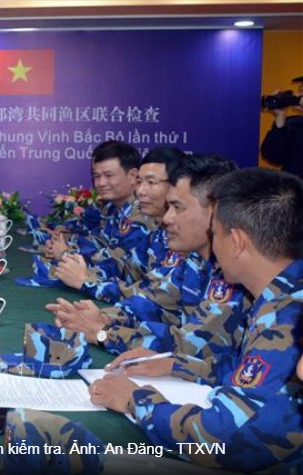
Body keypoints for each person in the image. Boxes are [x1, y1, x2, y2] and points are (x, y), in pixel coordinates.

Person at [90, 167, 303, 471]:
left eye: (215, 232)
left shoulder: (287, 317)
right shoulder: (282, 293)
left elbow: (224, 441)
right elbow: (248, 371)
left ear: (237, 242)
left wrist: (136, 400)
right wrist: (177, 365)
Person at [49, 155, 249, 370]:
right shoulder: (195, 259)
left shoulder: (235, 273)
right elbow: (153, 304)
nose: (167, 218)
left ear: (214, 212)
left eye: (177, 207)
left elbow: (190, 347)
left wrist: (102, 333)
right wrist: (102, 317)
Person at [54, 147, 185, 303]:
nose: (141, 191)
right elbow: (127, 267)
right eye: (140, 182)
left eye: (151, 182)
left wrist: (86, 281)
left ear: (179, 186)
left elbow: (155, 298)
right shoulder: (160, 233)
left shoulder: (187, 239)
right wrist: (81, 271)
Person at [261, 75, 303, 179]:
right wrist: (280, 117)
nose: (299, 96)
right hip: (293, 186)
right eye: (301, 90)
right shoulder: (293, 123)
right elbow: (273, 157)